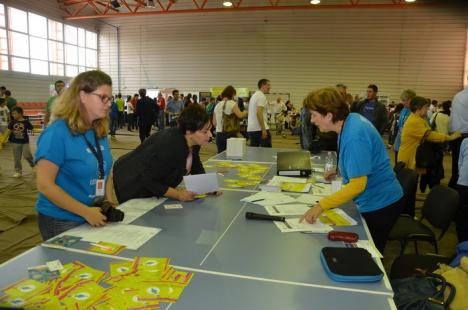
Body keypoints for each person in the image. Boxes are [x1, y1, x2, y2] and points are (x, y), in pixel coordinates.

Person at [300, 88, 403, 253]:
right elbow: (359, 159)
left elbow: (357, 186)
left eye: (314, 115)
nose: (312, 120)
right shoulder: (349, 121)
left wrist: (321, 206)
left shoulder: (354, 135)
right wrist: (340, 170)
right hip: (375, 199)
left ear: (328, 115)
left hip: (381, 203)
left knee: (369, 254)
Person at [35, 70, 114, 240]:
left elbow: (106, 171)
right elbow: (45, 185)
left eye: (110, 99)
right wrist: (85, 212)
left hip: (94, 215)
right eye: (103, 98)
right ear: (83, 96)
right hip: (62, 219)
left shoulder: (98, 130)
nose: (109, 104)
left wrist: (110, 203)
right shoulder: (56, 133)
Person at [111, 104, 215, 204]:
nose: (210, 135)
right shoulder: (170, 145)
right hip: (130, 181)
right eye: (205, 131)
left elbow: (195, 163)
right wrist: (178, 195)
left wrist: (206, 187)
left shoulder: (193, 141)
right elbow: (148, 179)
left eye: (210, 130)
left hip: (147, 179)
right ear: (189, 131)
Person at [398, 96, 460, 171]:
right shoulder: (414, 121)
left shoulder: (418, 119)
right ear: (418, 108)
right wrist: (450, 137)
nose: (427, 110)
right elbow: (431, 135)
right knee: (409, 181)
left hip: (413, 157)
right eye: (425, 107)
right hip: (407, 160)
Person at [213, 85, 247, 153]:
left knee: (221, 157)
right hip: (229, 134)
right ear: (232, 94)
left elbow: (214, 123)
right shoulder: (232, 103)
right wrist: (245, 112)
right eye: (234, 94)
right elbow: (240, 115)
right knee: (232, 156)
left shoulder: (217, 105)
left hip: (219, 135)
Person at [449, 78, 468, 188]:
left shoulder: (458, 96)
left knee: (456, 165)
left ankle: (453, 190)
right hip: (466, 136)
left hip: (456, 135)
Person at [8, 106, 35, 178]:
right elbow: (8, 131)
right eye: (12, 114)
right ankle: (18, 171)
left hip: (25, 142)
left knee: (27, 155)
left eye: (14, 114)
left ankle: (33, 164)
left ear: (20, 114)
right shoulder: (12, 122)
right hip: (15, 142)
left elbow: (32, 129)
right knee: (17, 157)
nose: (13, 115)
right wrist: (2, 139)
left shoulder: (26, 122)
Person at [393, 89, 416, 163]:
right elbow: (400, 126)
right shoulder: (404, 109)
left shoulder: (416, 112)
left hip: (409, 146)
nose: (402, 102)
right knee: (398, 167)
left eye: (404, 100)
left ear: (410, 100)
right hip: (399, 144)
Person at [247, 79, 272, 147]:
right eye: (268, 85)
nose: (270, 87)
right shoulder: (261, 96)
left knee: (254, 154)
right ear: (262, 85)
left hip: (251, 129)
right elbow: (258, 113)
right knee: (266, 154)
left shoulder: (254, 96)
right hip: (259, 129)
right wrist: (263, 130)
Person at [456, 137, 468, 242]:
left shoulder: (465, 141)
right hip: (463, 183)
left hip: (462, 183)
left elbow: (460, 163)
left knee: (462, 217)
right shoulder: (465, 141)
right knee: (462, 217)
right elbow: (460, 162)